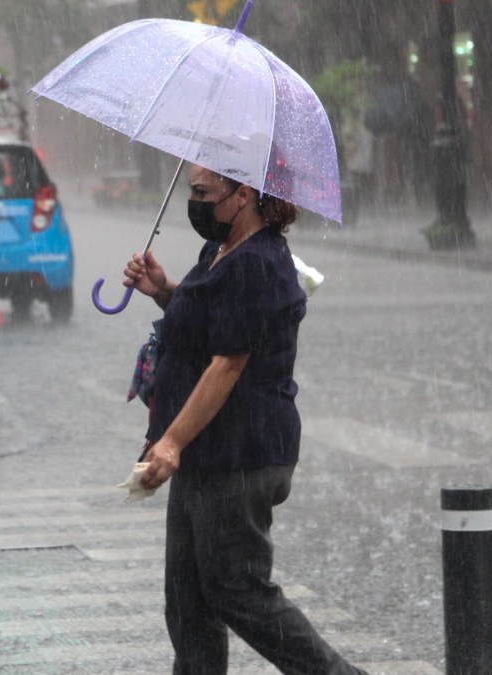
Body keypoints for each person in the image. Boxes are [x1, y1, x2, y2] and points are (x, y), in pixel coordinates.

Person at [121, 165, 368, 675]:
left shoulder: (257, 263)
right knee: (188, 601)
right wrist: (164, 289)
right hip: (205, 453)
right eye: (192, 191)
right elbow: (205, 327)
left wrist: (170, 442)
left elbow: (228, 363)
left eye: (203, 193)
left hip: (241, 454)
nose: (195, 203)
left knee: (238, 591)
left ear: (243, 195)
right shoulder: (220, 251)